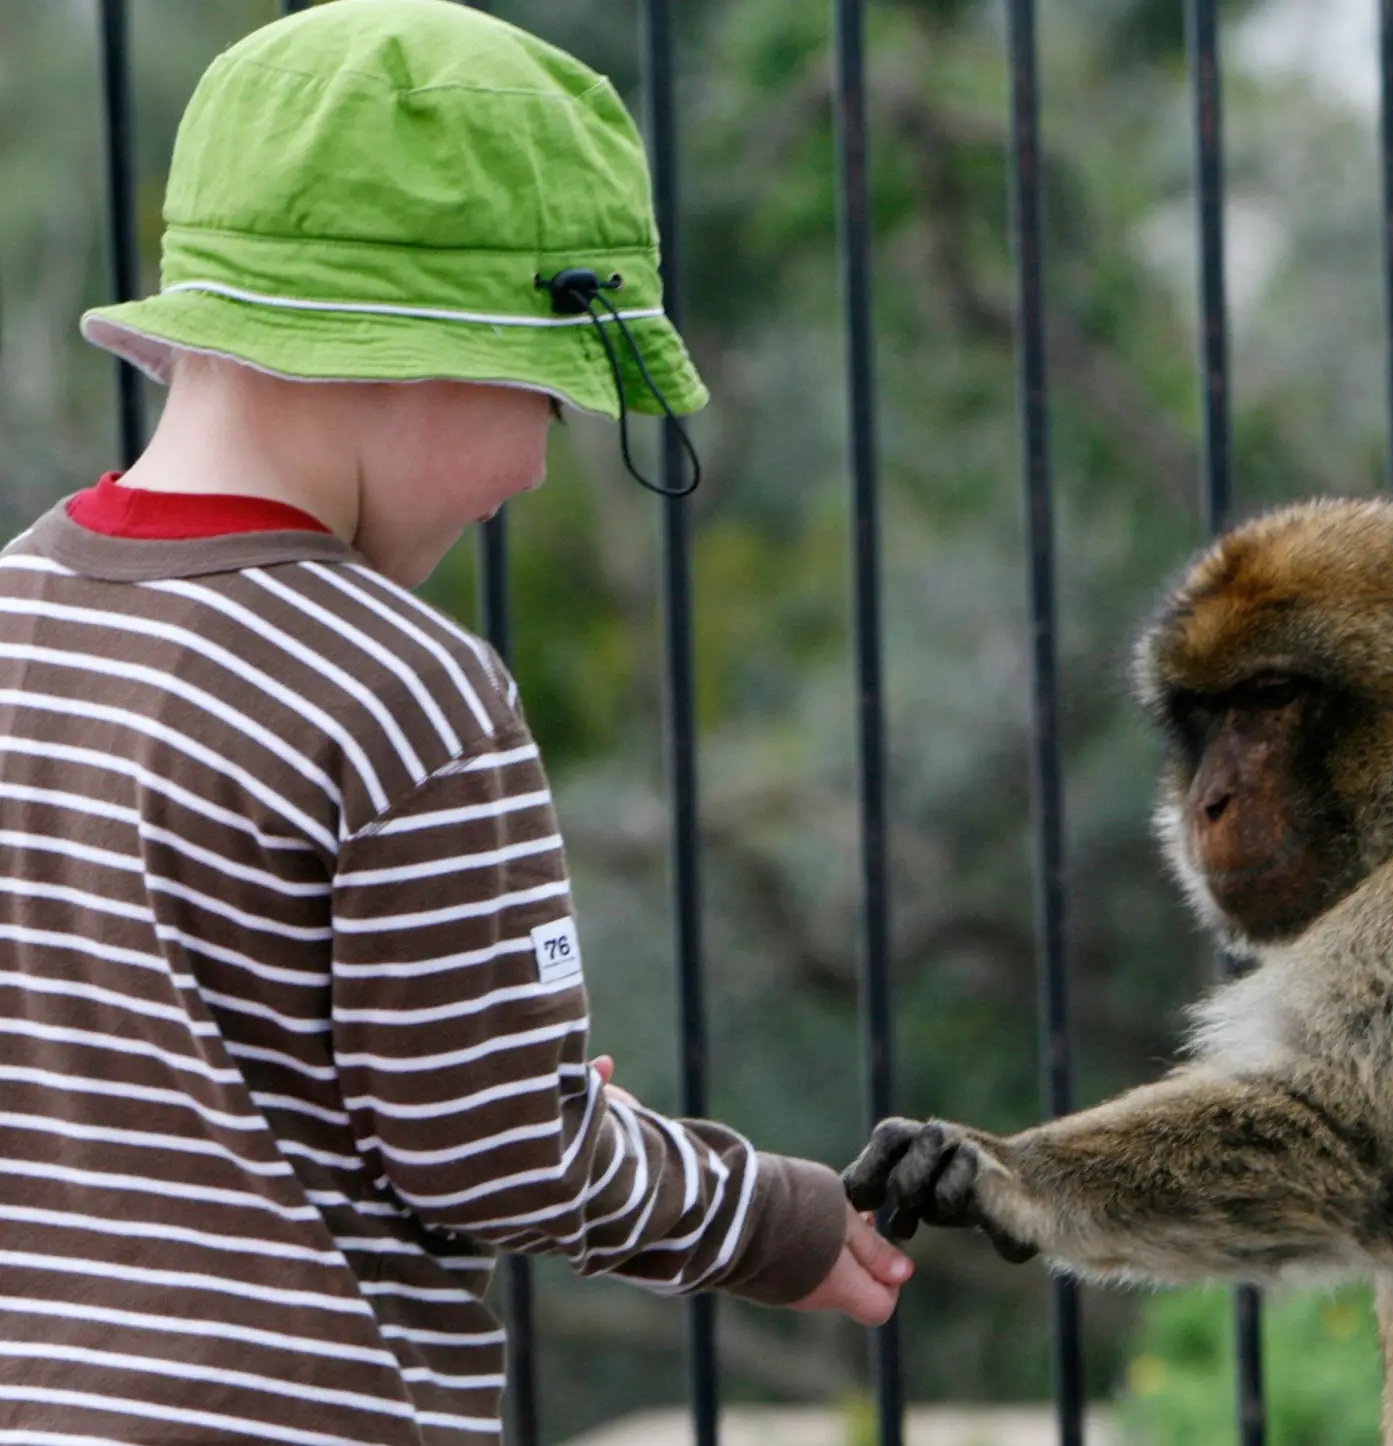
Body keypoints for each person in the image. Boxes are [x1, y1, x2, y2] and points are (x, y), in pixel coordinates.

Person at [0, 3, 909, 1442]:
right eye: (550, 395)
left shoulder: (17, 617)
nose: (542, 468)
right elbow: (490, 1156)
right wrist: (773, 1215)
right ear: (423, 350)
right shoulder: (408, 686)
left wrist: (487, 1077)